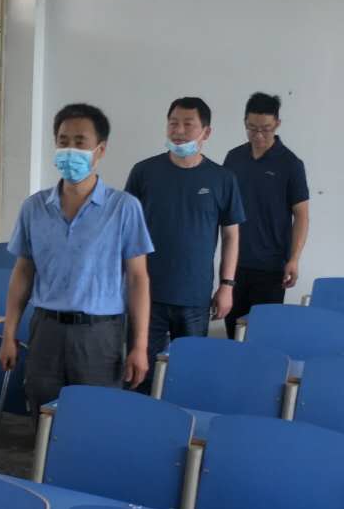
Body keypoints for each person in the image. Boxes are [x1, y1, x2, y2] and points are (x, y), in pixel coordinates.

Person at [0, 103, 152, 410]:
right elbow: (23, 271)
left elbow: (137, 279)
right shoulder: (34, 207)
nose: (70, 150)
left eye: (80, 142)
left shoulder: (124, 207)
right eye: (63, 141)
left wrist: (139, 345)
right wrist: (8, 333)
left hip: (99, 334)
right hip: (46, 330)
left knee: (94, 418)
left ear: (100, 150)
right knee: (43, 415)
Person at [125, 97, 245, 385]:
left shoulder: (222, 178)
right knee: (139, 375)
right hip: (147, 294)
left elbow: (231, 235)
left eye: (188, 124)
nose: (178, 131)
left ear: (206, 132)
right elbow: (125, 230)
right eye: (173, 123)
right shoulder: (144, 172)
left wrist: (227, 286)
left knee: (189, 376)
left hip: (195, 296)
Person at [223, 92, 310, 338]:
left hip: (271, 268)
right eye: (252, 128)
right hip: (234, 264)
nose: (258, 135)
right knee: (232, 331)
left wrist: (294, 259)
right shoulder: (234, 158)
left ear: (277, 124)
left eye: (266, 129)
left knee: (262, 335)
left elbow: (302, 215)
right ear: (245, 122)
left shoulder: (290, 164)